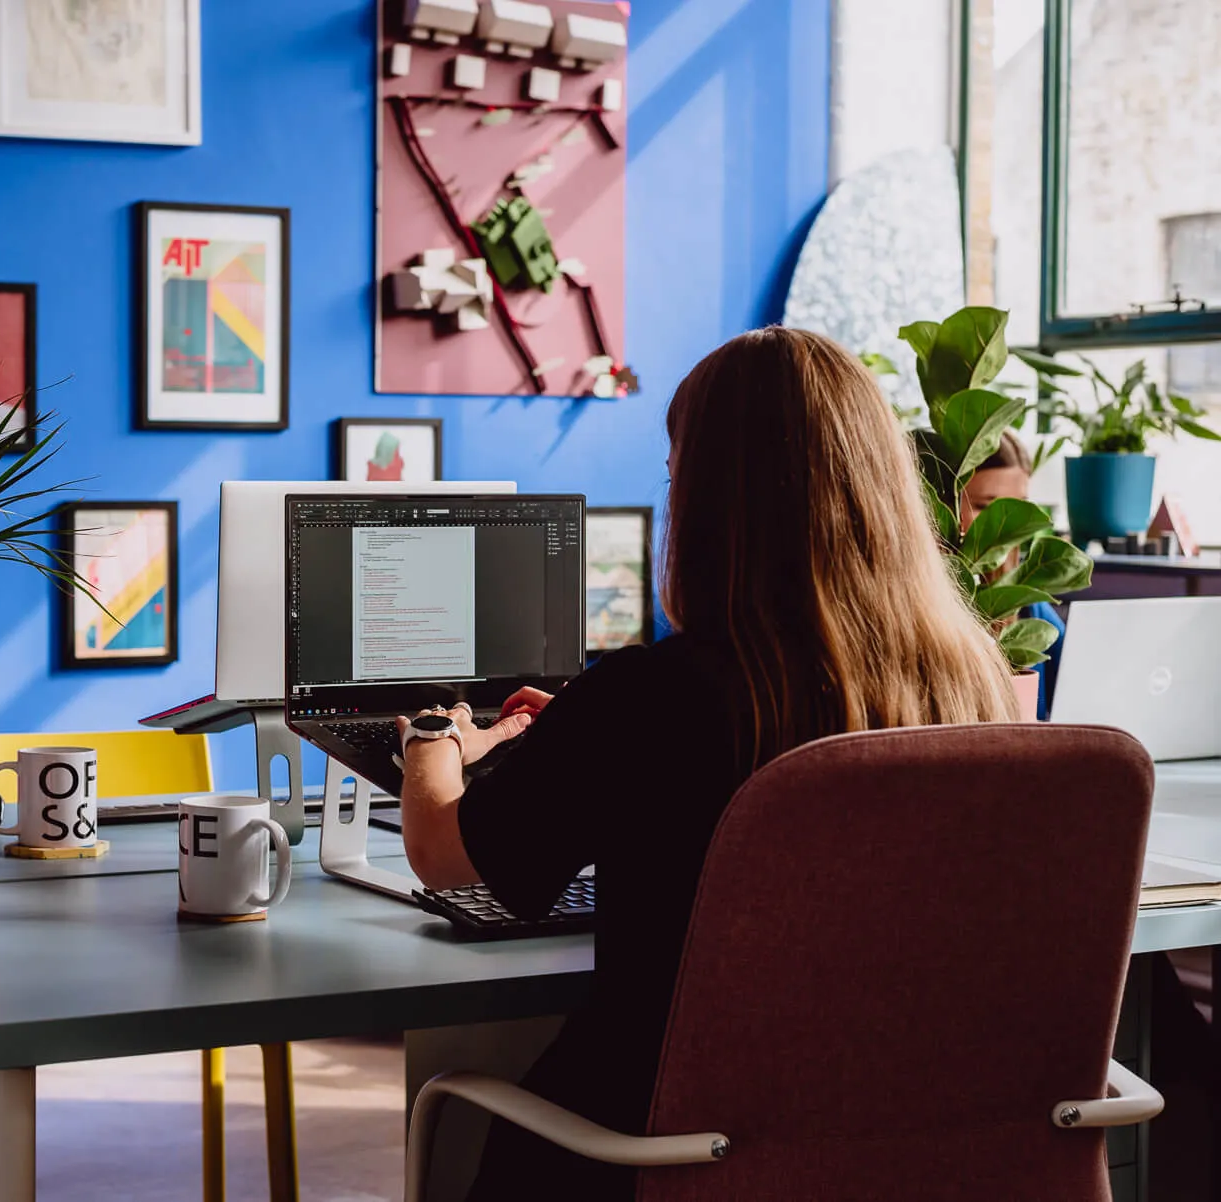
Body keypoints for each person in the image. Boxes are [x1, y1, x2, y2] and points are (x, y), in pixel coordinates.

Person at [396, 326, 1022, 1199]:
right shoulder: (974, 687)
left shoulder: (656, 695)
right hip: (898, 1151)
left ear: (711, 500)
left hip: (666, 1150)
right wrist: (576, 741)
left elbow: (441, 852)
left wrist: (434, 734)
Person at [961, 431, 1068, 719]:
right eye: (984, 506)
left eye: (1017, 507)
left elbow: (1079, 690)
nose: (1005, 525)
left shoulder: (1029, 606)